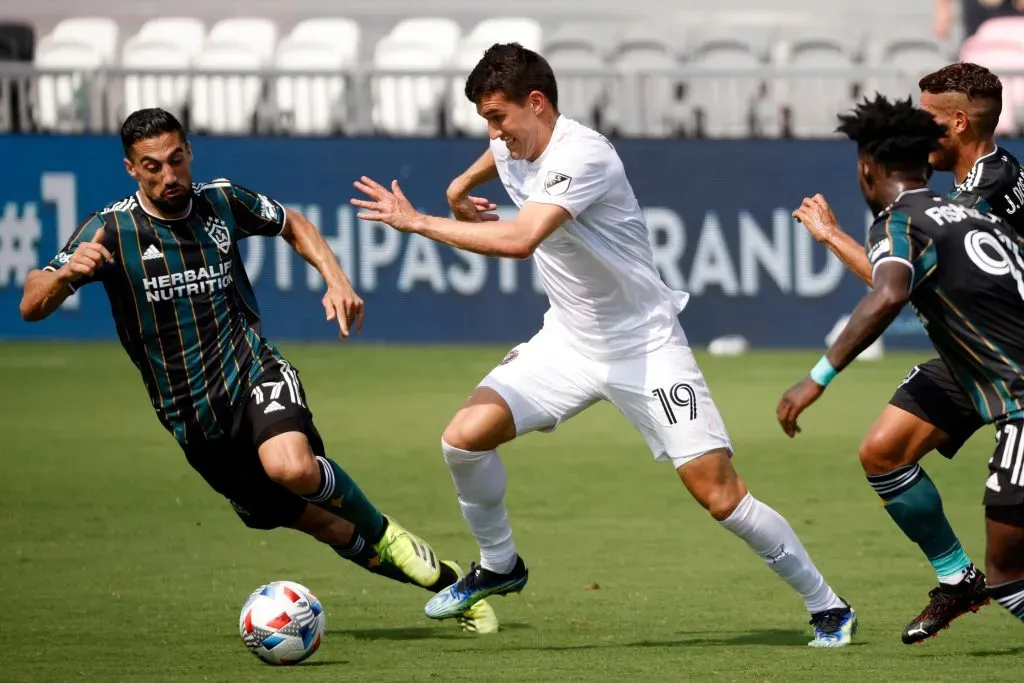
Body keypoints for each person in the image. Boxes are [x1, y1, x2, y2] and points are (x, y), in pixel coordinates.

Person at [350, 42, 856, 647]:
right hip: (566, 342)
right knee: (462, 441)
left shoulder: (582, 154)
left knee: (718, 493)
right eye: (486, 119)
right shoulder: (514, 140)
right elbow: (493, 158)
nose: (493, 132)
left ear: (536, 103)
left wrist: (421, 221)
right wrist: (459, 189)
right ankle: (500, 566)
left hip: (645, 348)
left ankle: (828, 606)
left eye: (498, 117)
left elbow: (519, 241)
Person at [18, 108, 498, 635]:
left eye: (176, 159)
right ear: (132, 169)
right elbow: (31, 303)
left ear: (189, 152)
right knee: (329, 525)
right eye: (152, 166)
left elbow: (293, 222)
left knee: (292, 467)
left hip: (251, 371)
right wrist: (66, 276)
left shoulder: (221, 200)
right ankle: (452, 587)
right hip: (193, 420)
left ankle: (386, 532)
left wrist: (335, 277)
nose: (169, 175)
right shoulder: (109, 230)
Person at [791, 62, 1023, 643]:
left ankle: (992, 580)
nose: (919, 132)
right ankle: (957, 578)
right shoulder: (975, 184)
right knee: (884, 451)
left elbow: (896, 281)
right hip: (976, 351)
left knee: (1013, 565)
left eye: (928, 120)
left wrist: (833, 238)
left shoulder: (982, 190)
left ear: (960, 122)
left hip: (1004, 355)